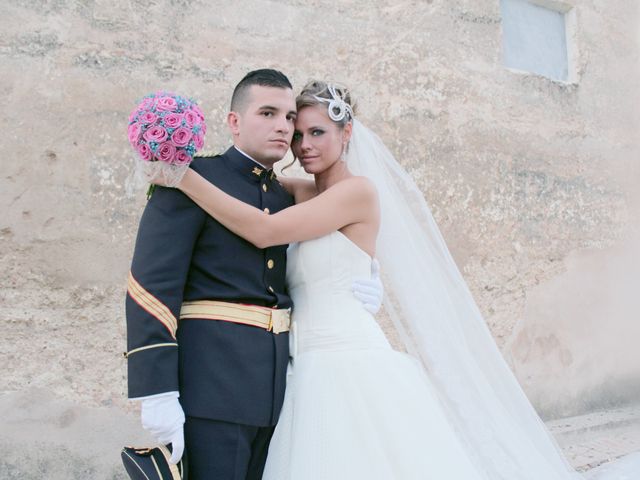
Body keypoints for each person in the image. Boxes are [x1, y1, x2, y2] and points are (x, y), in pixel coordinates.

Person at [152, 80, 640, 480]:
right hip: (301, 363)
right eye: (298, 134)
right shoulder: (302, 191)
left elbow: (263, 230)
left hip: (347, 358)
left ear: (347, 136)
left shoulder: (357, 192)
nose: (304, 145)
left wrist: (179, 174)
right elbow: (251, 185)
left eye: (318, 132)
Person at [125, 70, 382, 480]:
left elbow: (304, 230)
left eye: (289, 118)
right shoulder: (197, 179)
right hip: (211, 387)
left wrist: (368, 268)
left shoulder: (284, 196)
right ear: (234, 122)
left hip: (281, 391)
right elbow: (151, 286)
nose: (286, 129)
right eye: (269, 113)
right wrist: (155, 389)